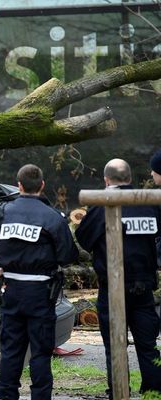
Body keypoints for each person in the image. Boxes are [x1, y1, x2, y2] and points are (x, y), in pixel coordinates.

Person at [0, 164, 78, 400]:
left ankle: (6, 396)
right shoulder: (52, 217)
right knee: (40, 352)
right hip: (41, 292)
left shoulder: (2, 213)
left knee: (11, 350)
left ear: (19, 185)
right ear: (42, 186)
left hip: (12, 290)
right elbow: (68, 255)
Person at [75, 158, 161, 399]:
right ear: (130, 179)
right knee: (148, 344)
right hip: (143, 287)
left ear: (106, 180)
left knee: (115, 346)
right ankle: (154, 391)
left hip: (112, 287)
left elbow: (83, 237)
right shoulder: (149, 204)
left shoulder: (102, 205)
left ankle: (118, 392)